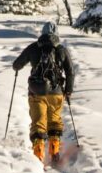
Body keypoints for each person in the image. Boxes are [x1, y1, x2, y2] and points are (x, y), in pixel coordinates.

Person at [12, 22, 74, 163]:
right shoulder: (61, 50)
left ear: (42, 33)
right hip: (56, 92)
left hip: (36, 91)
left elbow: (16, 65)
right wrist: (68, 91)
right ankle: (54, 151)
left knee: (38, 123)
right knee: (54, 122)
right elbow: (70, 71)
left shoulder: (34, 48)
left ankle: (38, 157)